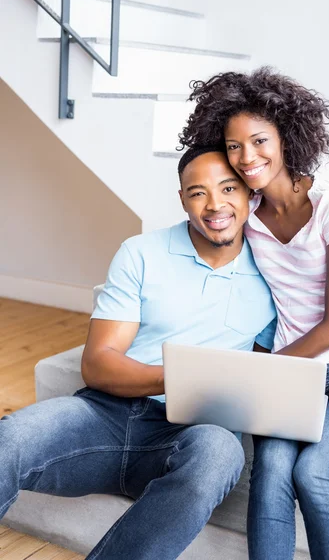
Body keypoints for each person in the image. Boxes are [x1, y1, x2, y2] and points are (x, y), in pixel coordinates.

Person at [0, 146, 276, 560]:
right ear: (182, 199)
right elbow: (98, 362)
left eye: (228, 188)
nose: (215, 204)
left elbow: (260, 374)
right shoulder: (141, 252)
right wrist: (182, 377)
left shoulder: (273, 272)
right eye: (198, 192)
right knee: (12, 437)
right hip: (105, 418)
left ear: (250, 194)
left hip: (192, 434)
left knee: (219, 453)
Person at [177, 67, 329, 560]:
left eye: (259, 141)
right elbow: (201, 233)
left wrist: (259, 373)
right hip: (291, 375)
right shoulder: (245, 214)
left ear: (285, 136)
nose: (247, 157)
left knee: (314, 473)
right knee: (271, 475)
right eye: (233, 146)